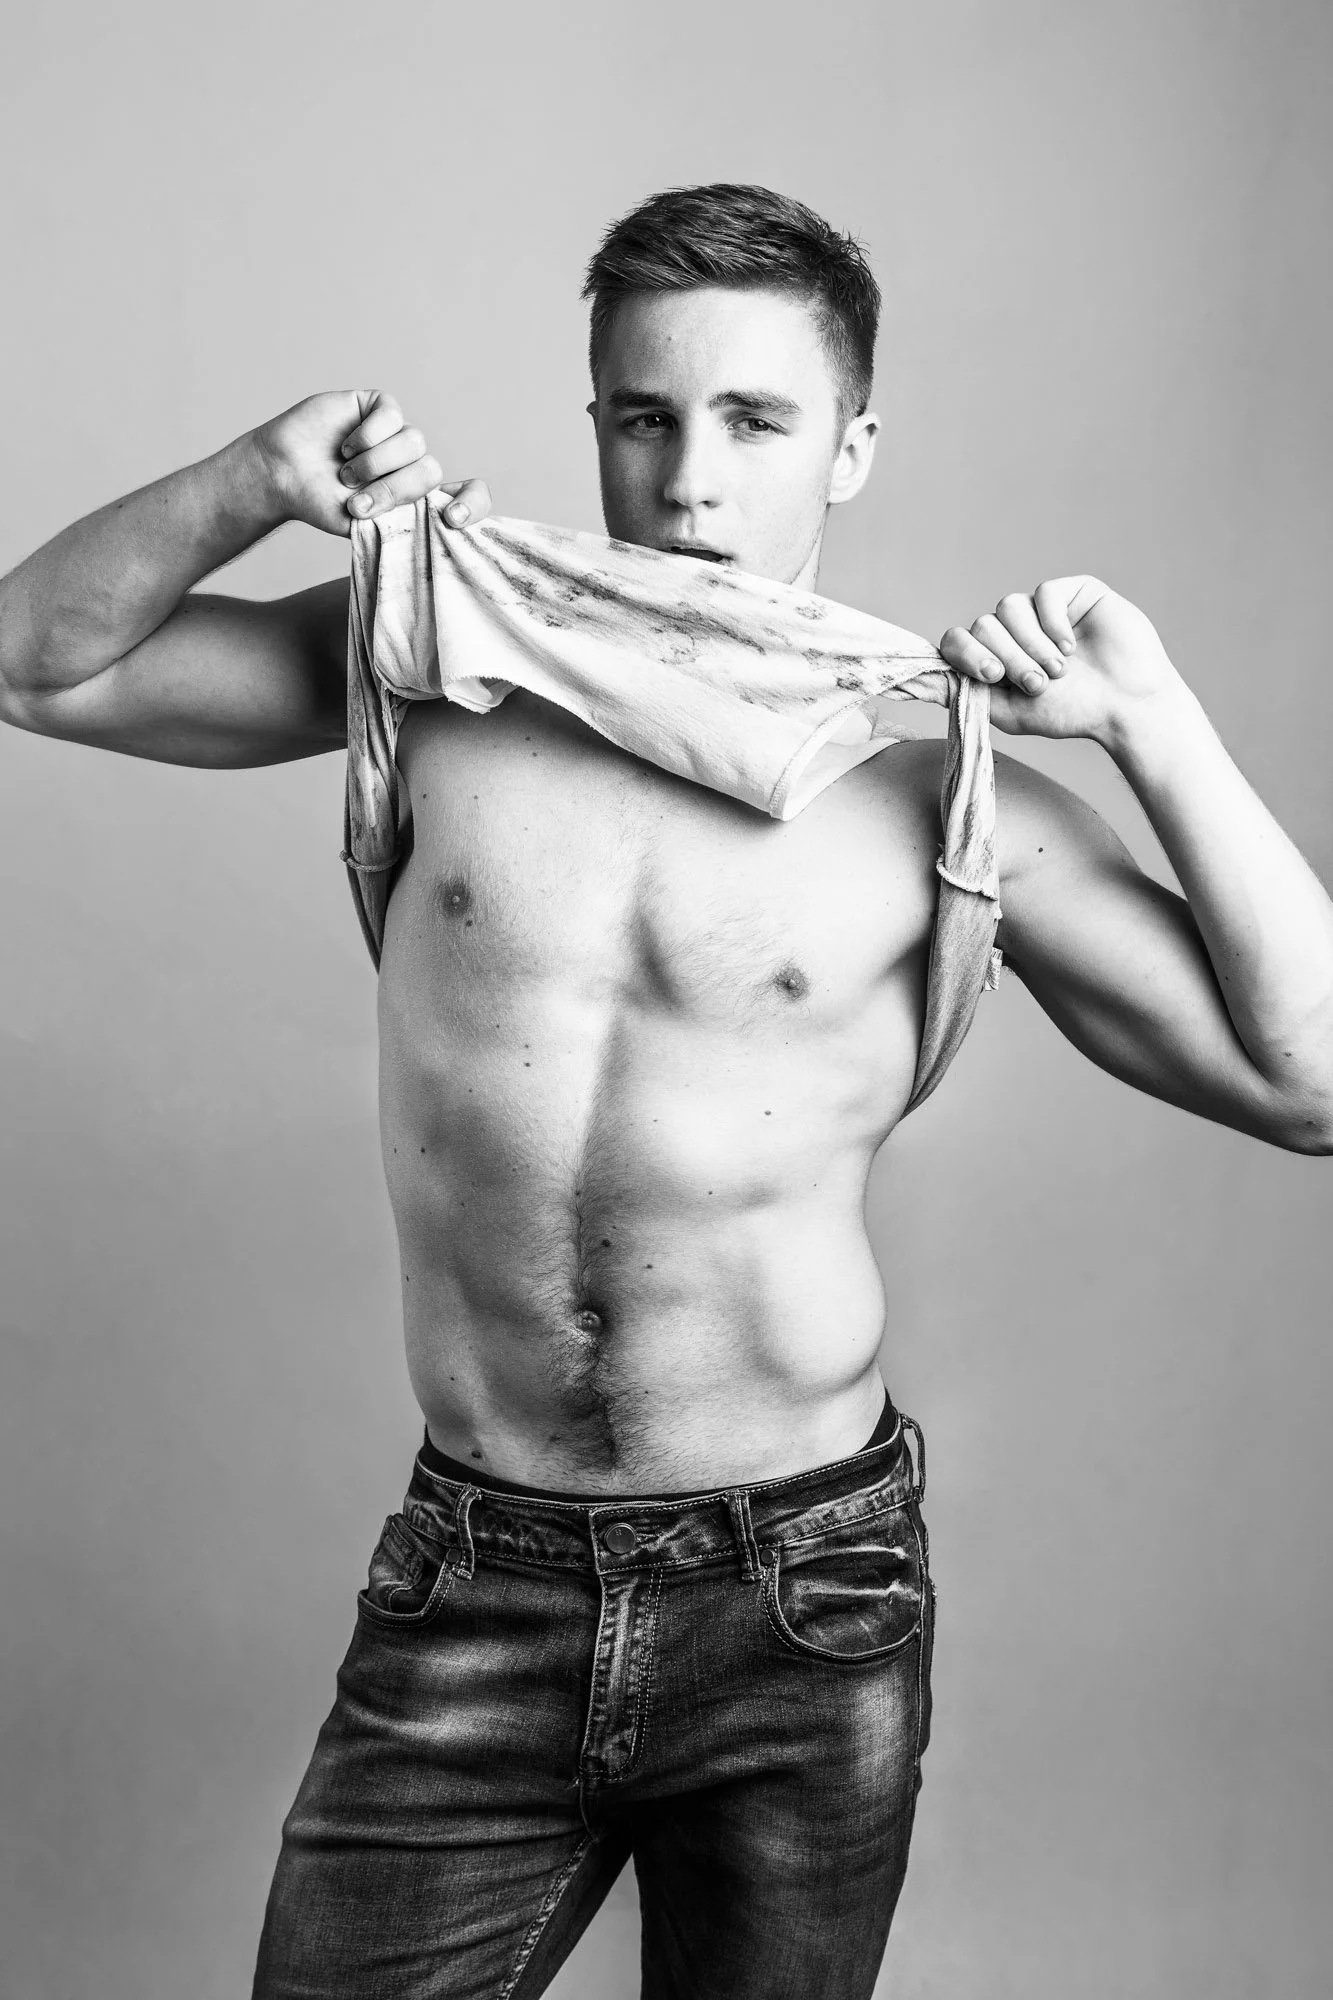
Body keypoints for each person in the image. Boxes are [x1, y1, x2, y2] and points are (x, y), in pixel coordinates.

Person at [1, 183, 1330, 2000]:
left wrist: (1157, 723)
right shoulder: (445, 672)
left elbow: (1311, 1083)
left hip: (802, 1591)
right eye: (646, 416)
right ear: (599, 425)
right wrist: (249, 479)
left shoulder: (944, 799)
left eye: (756, 421)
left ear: (852, 446)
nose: (690, 481)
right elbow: (37, 663)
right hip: (478, 1572)